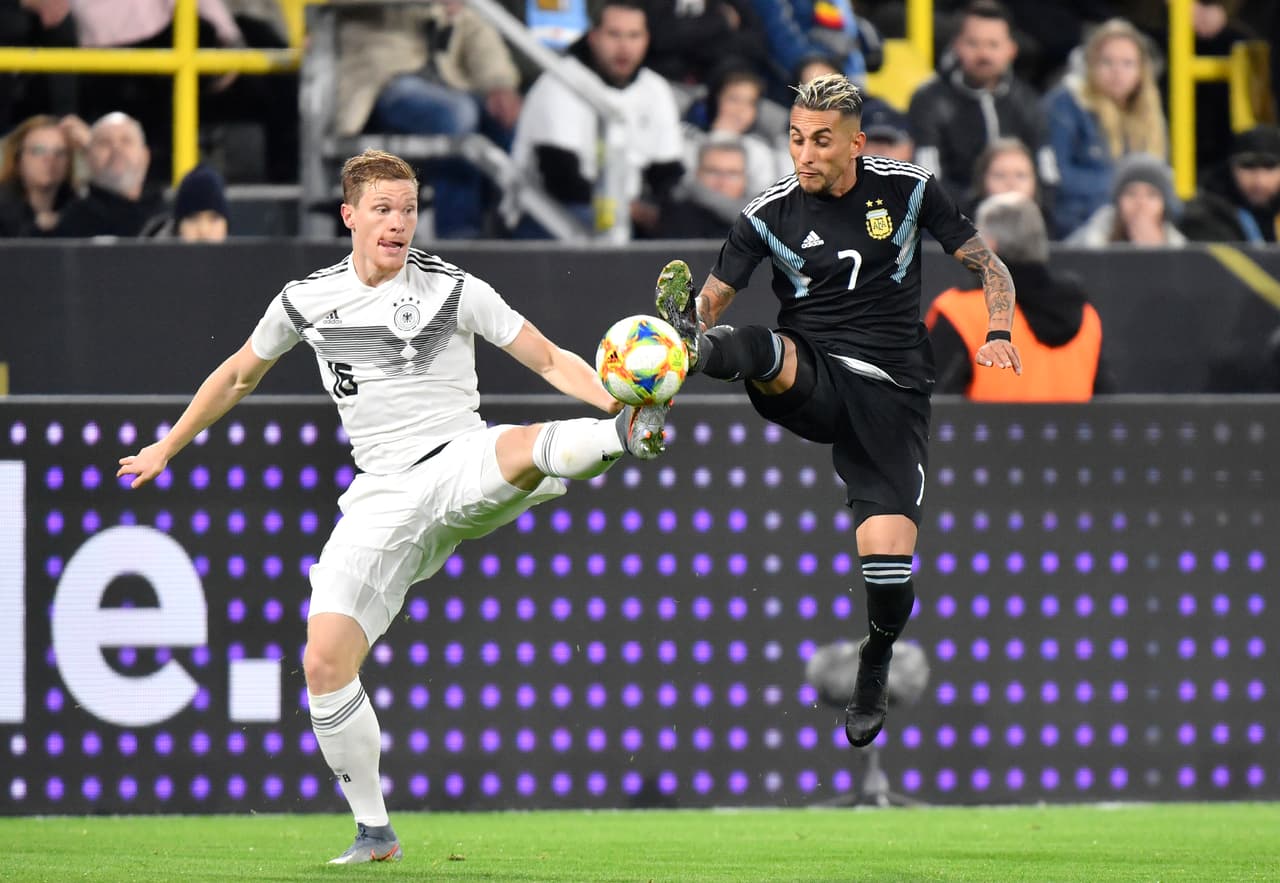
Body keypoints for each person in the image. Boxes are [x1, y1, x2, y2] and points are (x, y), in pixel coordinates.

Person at [116, 148, 674, 863]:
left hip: (456, 459)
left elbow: (546, 358)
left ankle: (625, 434)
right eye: (383, 209)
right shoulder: (306, 299)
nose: (399, 222)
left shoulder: (453, 287)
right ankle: (374, 829)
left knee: (523, 445)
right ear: (350, 215)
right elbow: (236, 376)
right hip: (379, 496)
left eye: (408, 209)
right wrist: (168, 445)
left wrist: (617, 397)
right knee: (324, 660)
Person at [655, 74, 1020, 750]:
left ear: (856, 143)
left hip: (893, 394)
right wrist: (673, 361)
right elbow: (711, 298)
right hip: (813, 372)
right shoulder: (767, 212)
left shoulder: (910, 190)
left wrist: (998, 330)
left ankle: (874, 660)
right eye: (795, 139)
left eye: (821, 141)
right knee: (753, 348)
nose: (804, 155)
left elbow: (990, 266)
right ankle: (702, 355)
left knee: (888, 574)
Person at [334, 0, 524, 238]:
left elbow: (476, 29)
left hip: (447, 82)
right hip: (380, 81)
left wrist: (499, 84)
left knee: (506, 118)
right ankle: (458, 234)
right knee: (457, 113)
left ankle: (511, 230)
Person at [510, 0, 685, 238]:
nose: (624, 47)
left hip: (626, 213)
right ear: (593, 37)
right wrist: (625, 210)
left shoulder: (655, 89)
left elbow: (666, 173)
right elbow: (559, 179)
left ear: (646, 39)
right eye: (614, 34)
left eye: (634, 36)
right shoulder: (559, 83)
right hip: (545, 214)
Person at [927, 192, 1111, 400]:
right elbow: (1106, 406)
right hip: (1071, 432)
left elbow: (933, 405)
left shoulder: (961, 312)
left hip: (988, 431)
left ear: (989, 244)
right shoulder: (1086, 315)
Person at [907, 0, 1057, 202]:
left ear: (1011, 50)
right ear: (956, 45)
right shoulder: (929, 101)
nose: (983, 54)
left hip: (1021, 217)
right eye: (973, 43)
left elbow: (1048, 176)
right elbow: (927, 179)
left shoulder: (1027, 100)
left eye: (993, 44)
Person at [1042, 18, 1167, 239]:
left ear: (1141, 70)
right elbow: (1057, 178)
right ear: (1090, 65)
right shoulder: (1065, 105)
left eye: (1128, 63)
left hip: (1135, 224)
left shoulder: (1150, 115)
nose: (1117, 72)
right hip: (1078, 224)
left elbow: (1163, 183)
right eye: (1107, 62)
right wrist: (1125, 188)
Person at [52, 111, 165, 238]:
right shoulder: (73, 220)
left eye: (126, 141)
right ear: (88, 158)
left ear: (145, 156)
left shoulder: (168, 211)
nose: (116, 149)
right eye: (105, 142)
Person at [1179, 124, 1280, 243]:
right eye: (1247, 166)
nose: (1259, 180)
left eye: (1270, 166)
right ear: (1230, 168)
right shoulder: (1205, 216)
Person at [1066, 151, 1186, 246]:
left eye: (1151, 195)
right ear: (1118, 201)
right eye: (1131, 193)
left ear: (1164, 204)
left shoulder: (1178, 246)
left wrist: (1158, 252)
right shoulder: (1090, 238)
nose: (1140, 202)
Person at [0, 113, 81, 237]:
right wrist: (37, 229)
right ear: (18, 159)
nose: (50, 159)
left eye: (60, 152)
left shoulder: (77, 208)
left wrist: (90, 145)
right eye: (38, 151)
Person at [655, 136, 751, 239]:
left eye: (733, 174)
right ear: (697, 174)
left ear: (745, 179)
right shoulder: (677, 215)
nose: (722, 182)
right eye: (713, 172)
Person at [140, 162, 231, 241]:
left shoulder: (240, 259)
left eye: (214, 219)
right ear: (178, 227)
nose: (204, 231)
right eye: (193, 218)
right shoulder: (151, 259)